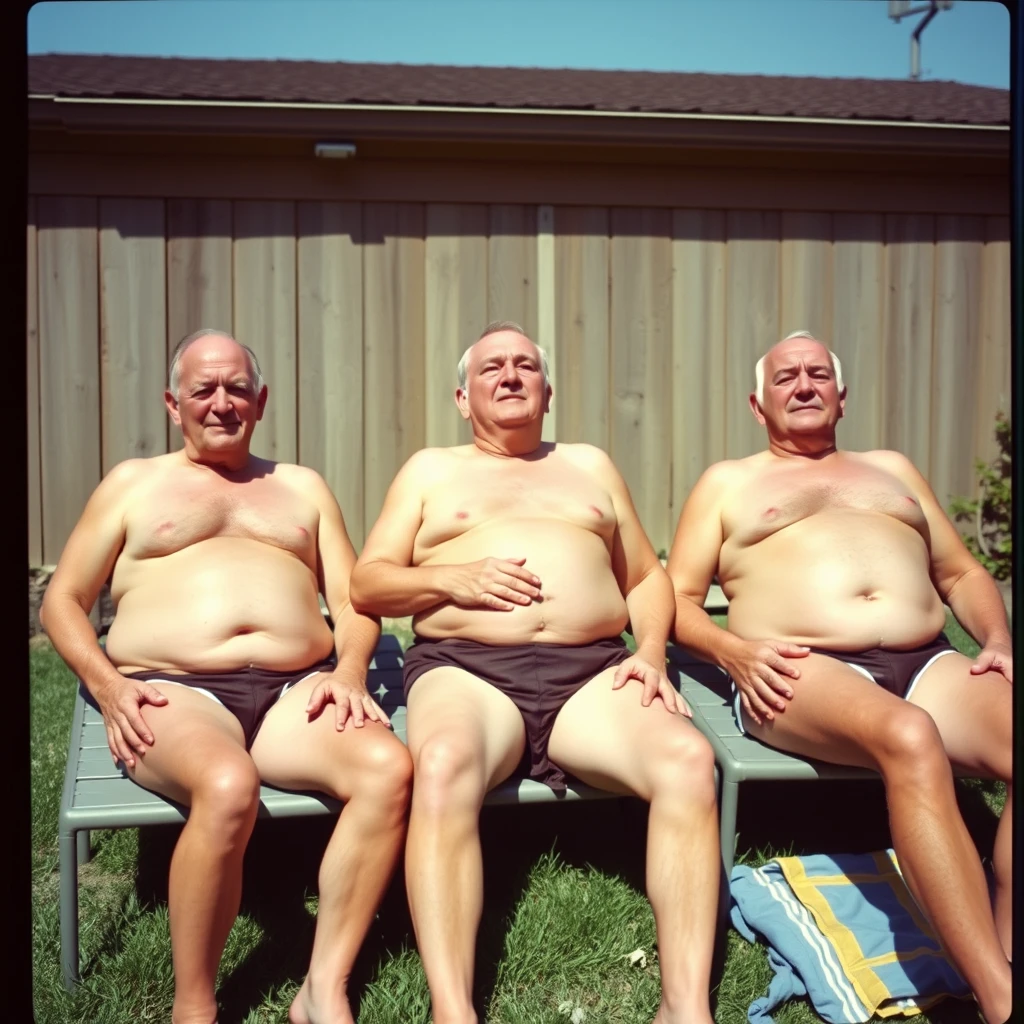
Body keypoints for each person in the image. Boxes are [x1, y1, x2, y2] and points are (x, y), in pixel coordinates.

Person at [349, 321, 719, 1024]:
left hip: (592, 670)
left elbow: (643, 577)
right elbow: (368, 585)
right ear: (464, 396)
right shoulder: (431, 469)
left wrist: (648, 651)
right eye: (492, 368)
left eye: (525, 366)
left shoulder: (590, 465)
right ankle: (452, 1010)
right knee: (445, 761)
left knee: (687, 759)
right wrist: (452, 577)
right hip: (468, 669)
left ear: (547, 390)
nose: (510, 375)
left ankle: (686, 1005)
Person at [41, 329, 413, 1024]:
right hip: (173, 687)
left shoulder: (300, 486)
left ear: (261, 400)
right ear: (172, 403)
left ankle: (321, 987)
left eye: (237, 388)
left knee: (386, 770)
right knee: (226, 784)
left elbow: (355, 596)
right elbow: (63, 600)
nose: (221, 403)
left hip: (295, 685)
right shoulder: (133, 484)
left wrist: (354, 668)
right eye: (203, 389)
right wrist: (110, 685)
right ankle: (196, 1005)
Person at [666, 330, 1013, 1024]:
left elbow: (962, 572)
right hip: (797, 667)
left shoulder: (891, 468)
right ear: (757, 403)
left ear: (842, 395)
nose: (804, 384)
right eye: (786, 376)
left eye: (818, 374)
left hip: (927, 659)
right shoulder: (729, 482)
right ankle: (1002, 1003)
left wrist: (999, 636)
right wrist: (734, 653)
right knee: (910, 738)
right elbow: (674, 601)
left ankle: (1001, 956)